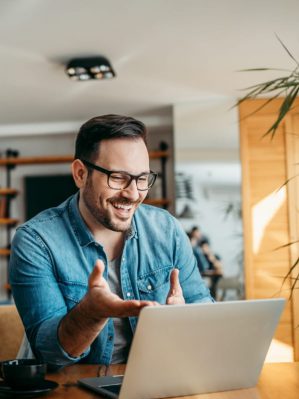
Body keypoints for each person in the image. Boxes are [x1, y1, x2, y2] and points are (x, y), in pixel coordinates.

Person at [9, 114, 213, 371]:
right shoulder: (35, 241)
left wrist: (184, 321)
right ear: (81, 174)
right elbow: (49, 355)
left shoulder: (166, 229)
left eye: (141, 179)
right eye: (118, 177)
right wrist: (91, 315)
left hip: (155, 379)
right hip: (71, 392)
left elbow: (203, 310)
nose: (133, 194)